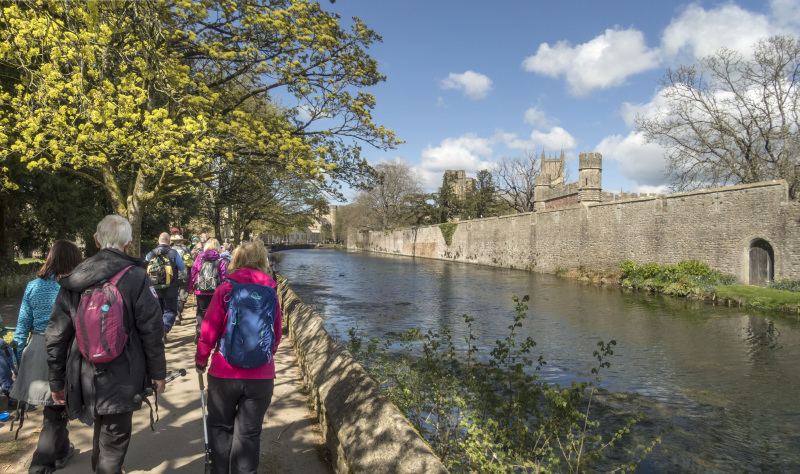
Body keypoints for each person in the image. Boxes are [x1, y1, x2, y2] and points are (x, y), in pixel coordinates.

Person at [46, 215, 167, 474]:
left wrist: (57, 382)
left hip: (84, 374)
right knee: (113, 443)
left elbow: (56, 335)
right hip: (124, 375)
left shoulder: (74, 279)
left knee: (101, 430)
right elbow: (152, 331)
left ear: (96, 240)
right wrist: (158, 374)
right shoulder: (136, 277)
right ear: (129, 242)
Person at [195, 240, 282, 474]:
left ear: (236, 260)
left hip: (224, 373)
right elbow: (276, 335)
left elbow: (209, 330)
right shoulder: (271, 292)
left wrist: (201, 360)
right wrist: (262, 358)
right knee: (249, 433)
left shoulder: (225, 290)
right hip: (261, 376)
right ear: (262, 261)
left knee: (220, 427)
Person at [10, 240, 83, 474]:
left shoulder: (33, 286)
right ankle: (39, 466)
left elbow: (22, 328)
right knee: (55, 412)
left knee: (53, 408)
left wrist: (20, 360)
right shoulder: (76, 287)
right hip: (65, 351)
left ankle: (62, 452)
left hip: (37, 349)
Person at [145, 232, 186, 339]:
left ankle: (159, 332)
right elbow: (182, 267)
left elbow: (144, 269)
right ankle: (164, 329)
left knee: (158, 311)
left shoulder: (150, 254)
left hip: (154, 289)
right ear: (169, 242)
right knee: (170, 311)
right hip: (170, 288)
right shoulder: (174, 253)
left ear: (158, 241)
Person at [190, 238, 228, 342]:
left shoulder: (200, 257)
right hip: (215, 290)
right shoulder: (220, 260)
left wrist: (191, 286)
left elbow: (193, 272)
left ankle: (200, 330)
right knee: (214, 312)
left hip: (200, 289)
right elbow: (224, 276)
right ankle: (213, 334)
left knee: (201, 311)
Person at [169, 234, 192, 325]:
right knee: (183, 294)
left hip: (172, 275)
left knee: (174, 294)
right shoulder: (185, 249)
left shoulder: (170, 250)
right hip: (183, 274)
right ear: (181, 241)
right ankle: (178, 312)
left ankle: (176, 314)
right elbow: (189, 263)